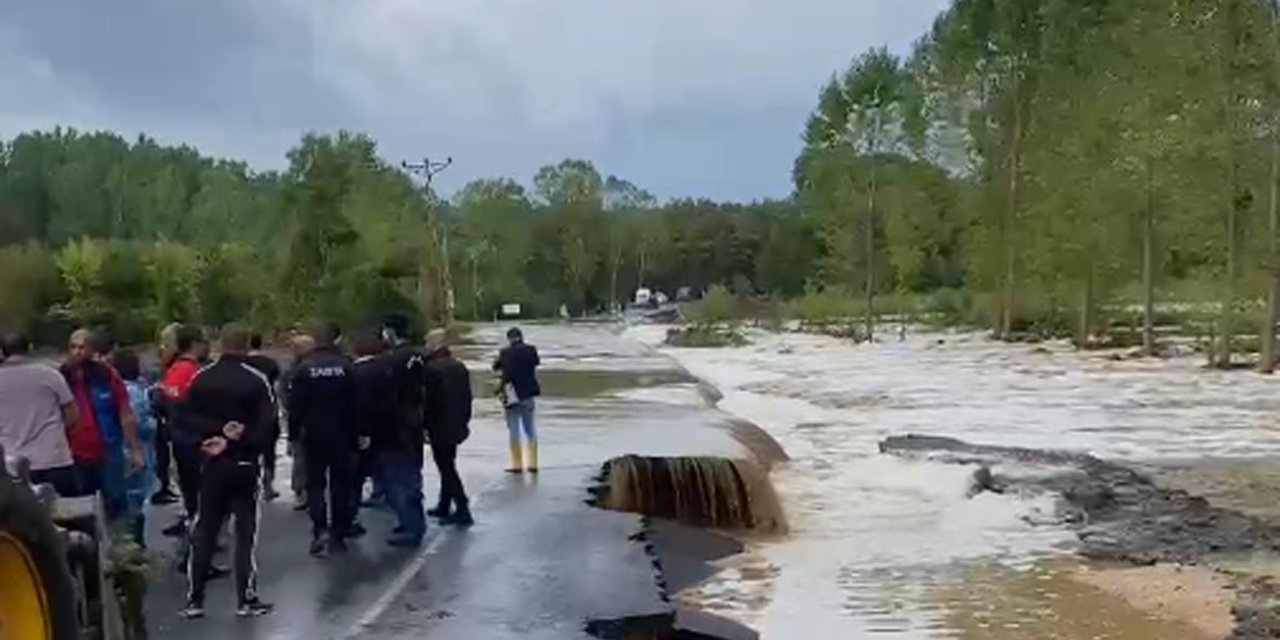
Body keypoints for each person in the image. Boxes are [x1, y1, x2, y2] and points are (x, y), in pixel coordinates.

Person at [176, 323, 276, 620]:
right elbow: (267, 426)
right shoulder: (256, 381)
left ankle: (195, 600)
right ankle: (245, 599)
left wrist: (208, 439)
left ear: (220, 344)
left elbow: (182, 420)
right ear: (246, 345)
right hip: (243, 464)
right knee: (244, 533)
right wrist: (240, 442)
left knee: (204, 529)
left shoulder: (200, 379)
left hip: (211, 464)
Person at [287, 321, 359, 557]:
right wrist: (361, 432)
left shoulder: (304, 369)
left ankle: (319, 529)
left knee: (315, 485)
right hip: (343, 434)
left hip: (313, 436)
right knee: (341, 485)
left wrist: (293, 435)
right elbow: (358, 403)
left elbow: (294, 407)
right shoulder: (347, 367)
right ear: (335, 340)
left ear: (316, 342)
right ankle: (338, 533)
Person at [62, 328, 143, 506]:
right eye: (73, 347)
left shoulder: (106, 376)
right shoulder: (62, 377)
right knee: (83, 504)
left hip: (108, 450)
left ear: (92, 350)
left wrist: (135, 449)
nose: (77, 352)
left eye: (82, 347)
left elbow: (125, 413)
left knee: (115, 499)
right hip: (74, 453)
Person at [0, 332, 80, 496]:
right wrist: (56, 432)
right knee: (70, 515)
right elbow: (73, 415)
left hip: (12, 466)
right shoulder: (50, 375)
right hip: (54, 459)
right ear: (30, 348)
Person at [378, 315, 428, 547]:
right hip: (415, 421)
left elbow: (386, 394)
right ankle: (412, 521)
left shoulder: (392, 360)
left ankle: (412, 525)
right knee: (412, 475)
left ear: (391, 332)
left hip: (397, 425)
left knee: (397, 478)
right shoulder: (420, 355)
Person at [157, 325, 209, 536]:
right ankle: (201, 529)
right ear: (196, 344)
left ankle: (192, 519)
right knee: (198, 487)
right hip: (194, 437)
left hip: (177, 435)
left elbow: (166, 401)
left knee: (188, 485)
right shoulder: (194, 371)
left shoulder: (174, 370)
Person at [423, 329, 474, 526]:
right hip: (456, 423)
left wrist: (425, 426)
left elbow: (430, 402)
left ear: (435, 344)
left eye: (428, 342)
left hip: (439, 425)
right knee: (448, 463)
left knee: (446, 467)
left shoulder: (431, 369)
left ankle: (462, 507)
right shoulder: (459, 366)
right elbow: (467, 397)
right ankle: (444, 505)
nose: (426, 345)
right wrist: (465, 421)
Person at [112, 349, 157, 547]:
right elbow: (140, 423)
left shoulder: (114, 388)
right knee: (136, 499)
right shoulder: (135, 392)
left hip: (116, 449)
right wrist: (156, 423)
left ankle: (127, 545)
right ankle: (134, 546)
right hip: (136, 449)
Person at [349, 330, 388, 538]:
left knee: (355, 477)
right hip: (387, 429)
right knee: (385, 468)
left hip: (362, 432)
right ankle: (385, 495)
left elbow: (355, 405)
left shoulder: (354, 372)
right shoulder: (387, 369)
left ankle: (351, 517)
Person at [493, 327, 541, 473]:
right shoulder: (531, 350)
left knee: (514, 429)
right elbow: (536, 362)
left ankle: (517, 465)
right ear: (521, 336)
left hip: (511, 394)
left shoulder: (505, 353)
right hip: (528, 394)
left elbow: (496, 367)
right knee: (530, 428)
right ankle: (533, 464)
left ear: (509, 338)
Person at [245, 333, 282, 501]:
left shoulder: (242, 363)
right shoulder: (271, 364)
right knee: (269, 449)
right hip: (266, 409)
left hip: (245, 410)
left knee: (247, 448)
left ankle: (248, 483)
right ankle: (268, 483)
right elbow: (276, 387)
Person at [151, 323, 183, 505]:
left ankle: (165, 485)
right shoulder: (164, 365)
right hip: (165, 416)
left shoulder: (176, 365)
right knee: (163, 453)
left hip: (171, 416)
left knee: (168, 455)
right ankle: (163, 485)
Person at [283, 333, 316, 511]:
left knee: (302, 457)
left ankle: (304, 491)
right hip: (305, 420)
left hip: (304, 419)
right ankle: (302, 490)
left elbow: (286, 397)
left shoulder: (296, 370)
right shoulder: (293, 371)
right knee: (301, 457)